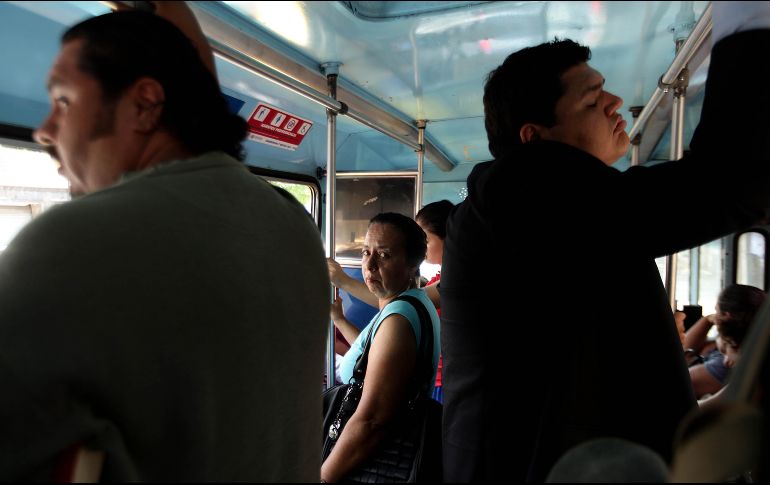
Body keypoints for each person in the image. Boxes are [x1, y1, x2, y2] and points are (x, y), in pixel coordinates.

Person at [440, 2, 770, 481]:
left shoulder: (554, 214)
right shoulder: (518, 190)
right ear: (536, 140)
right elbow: (733, 181)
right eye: (592, 101)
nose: (615, 102)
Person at [0, 4, 329, 481]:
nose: (44, 130)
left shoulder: (73, 245)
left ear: (144, 105)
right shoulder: (291, 222)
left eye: (64, 101)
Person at [322, 213, 440, 483]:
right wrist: (339, 319)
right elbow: (370, 358)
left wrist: (322, 477)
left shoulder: (398, 319)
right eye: (366, 252)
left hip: (377, 460)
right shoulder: (411, 303)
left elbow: (371, 421)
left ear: (413, 266)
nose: (369, 265)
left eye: (384, 255)